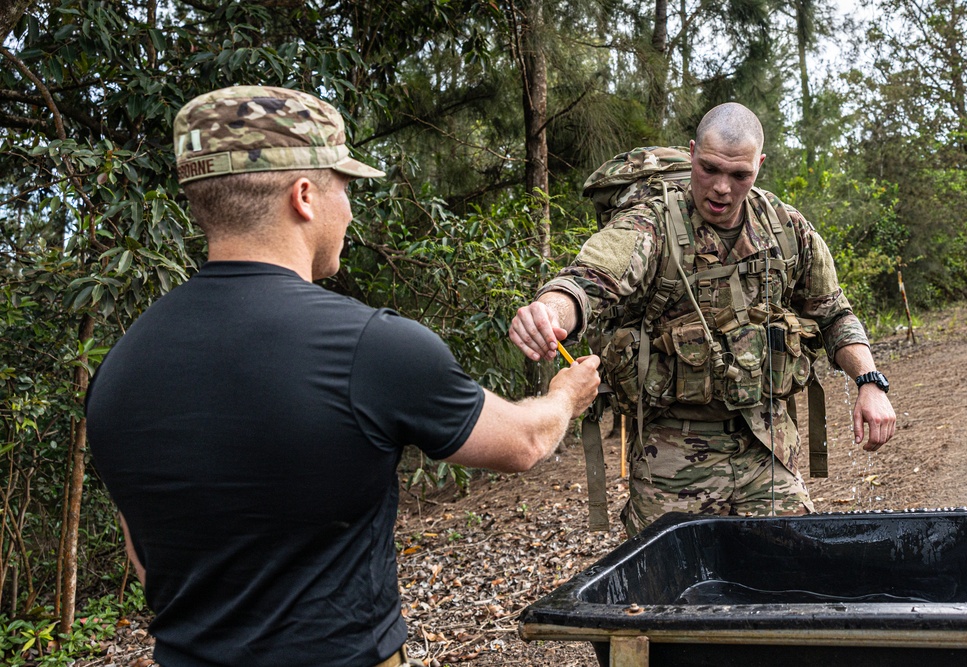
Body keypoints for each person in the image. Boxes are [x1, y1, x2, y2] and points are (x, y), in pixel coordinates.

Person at [86, 85, 600, 667]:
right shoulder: (371, 346)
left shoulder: (121, 367)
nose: (351, 208)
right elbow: (524, 443)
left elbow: (146, 555)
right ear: (304, 195)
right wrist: (566, 394)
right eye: (345, 187)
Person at [509, 102, 896, 536]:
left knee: (789, 570)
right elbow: (589, 281)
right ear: (692, 153)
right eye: (709, 168)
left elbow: (833, 313)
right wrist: (550, 310)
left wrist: (869, 381)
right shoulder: (651, 224)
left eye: (739, 175)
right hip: (673, 455)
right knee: (668, 589)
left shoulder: (787, 229)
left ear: (759, 166)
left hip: (765, 446)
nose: (721, 189)